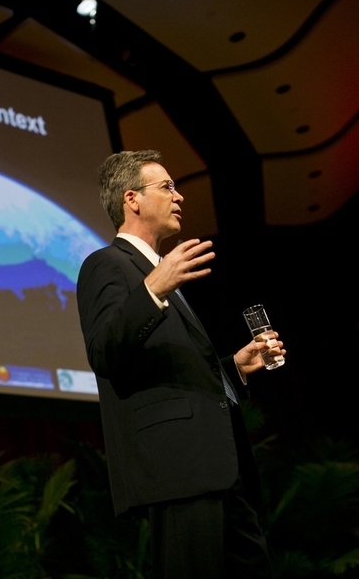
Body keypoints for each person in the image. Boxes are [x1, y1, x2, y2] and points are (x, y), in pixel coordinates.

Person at [76, 150, 285, 578]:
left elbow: (176, 369)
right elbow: (103, 352)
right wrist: (153, 288)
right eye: (167, 187)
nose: (180, 197)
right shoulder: (107, 265)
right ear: (132, 199)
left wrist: (237, 367)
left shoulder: (162, 272)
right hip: (178, 469)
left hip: (219, 468)